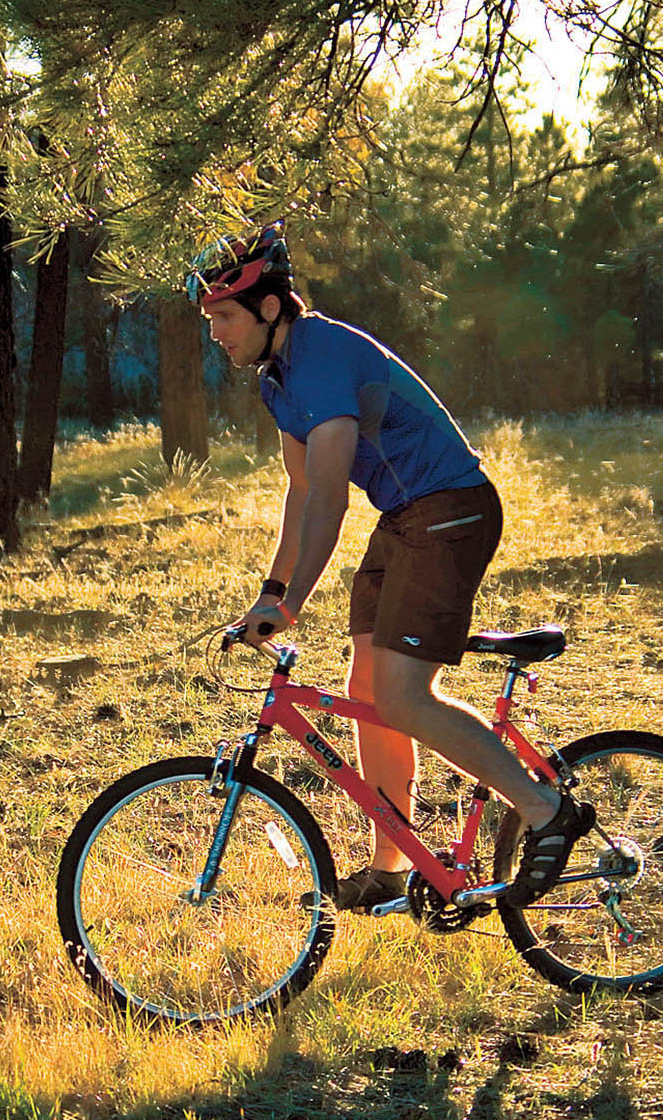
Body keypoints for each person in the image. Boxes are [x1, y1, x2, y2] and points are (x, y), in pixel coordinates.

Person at [186, 221, 595, 912]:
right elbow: (302, 491)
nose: (216, 332)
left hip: (451, 510)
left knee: (403, 696)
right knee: (369, 692)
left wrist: (288, 609)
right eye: (208, 319)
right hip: (407, 517)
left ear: (269, 306)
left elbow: (333, 499)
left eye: (224, 315)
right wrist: (273, 589)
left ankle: (545, 809)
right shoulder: (279, 381)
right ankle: (395, 868)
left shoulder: (320, 358)